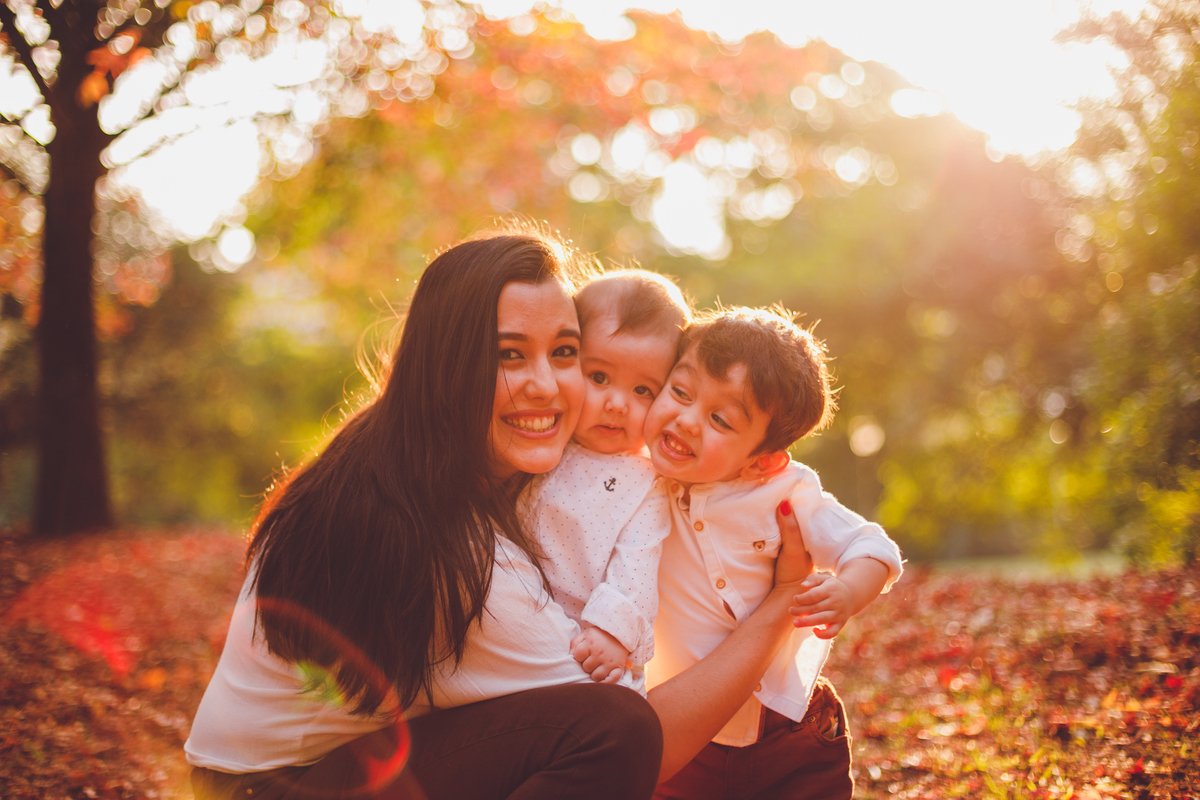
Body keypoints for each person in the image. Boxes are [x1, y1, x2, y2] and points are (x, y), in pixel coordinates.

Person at [183, 227, 812, 800]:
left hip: (311, 770)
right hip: (270, 789)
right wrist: (779, 609)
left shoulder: (386, 454)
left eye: (564, 353)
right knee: (613, 728)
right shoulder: (451, 547)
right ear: (448, 365)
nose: (545, 384)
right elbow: (648, 740)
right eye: (510, 355)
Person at [643, 306, 904, 800]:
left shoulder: (785, 493)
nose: (687, 420)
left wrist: (847, 590)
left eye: (720, 419)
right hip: (686, 740)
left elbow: (872, 546)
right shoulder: (636, 478)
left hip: (786, 734)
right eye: (679, 391)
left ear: (763, 460)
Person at [519, 270, 690, 689]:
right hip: (519, 621)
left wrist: (611, 631)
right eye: (599, 378)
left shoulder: (646, 480)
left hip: (591, 647)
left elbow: (637, 562)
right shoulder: (544, 440)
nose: (616, 404)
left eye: (643, 391)